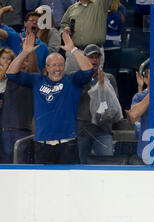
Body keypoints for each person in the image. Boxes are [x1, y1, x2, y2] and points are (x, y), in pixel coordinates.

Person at [6, 32, 94, 164]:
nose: (57, 69)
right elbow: (11, 73)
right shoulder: (37, 80)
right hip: (42, 145)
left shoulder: (72, 81)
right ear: (46, 68)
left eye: (60, 65)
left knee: (68, 184)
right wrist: (24, 52)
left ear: (64, 67)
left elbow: (88, 70)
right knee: (43, 184)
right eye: (53, 65)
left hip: (67, 144)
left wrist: (73, 49)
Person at [77, 44, 120, 164]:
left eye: (97, 57)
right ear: (84, 58)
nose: (94, 60)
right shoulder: (78, 78)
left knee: (107, 168)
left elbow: (114, 106)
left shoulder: (109, 78)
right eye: (91, 57)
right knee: (79, 169)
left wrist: (103, 88)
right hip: (82, 131)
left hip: (102, 130)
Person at [0, 52, 38, 164]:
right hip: (3, 132)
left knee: (20, 171)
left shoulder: (33, 80)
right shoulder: (7, 80)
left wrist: (27, 50)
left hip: (22, 132)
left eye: (26, 60)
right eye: (19, 61)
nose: (22, 64)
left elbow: (34, 67)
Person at [60, 0, 112, 73]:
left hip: (95, 53)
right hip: (74, 51)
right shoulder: (72, 8)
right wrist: (65, 30)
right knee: (72, 80)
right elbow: (63, 25)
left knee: (94, 81)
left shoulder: (100, 4)